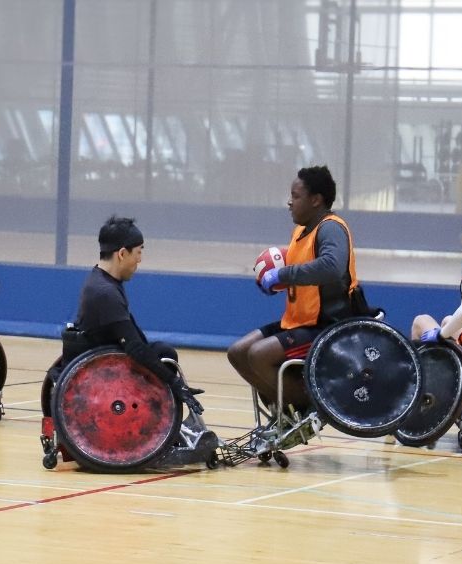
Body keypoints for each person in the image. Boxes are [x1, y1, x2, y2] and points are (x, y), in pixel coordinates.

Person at [227, 165, 358, 414]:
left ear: (316, 200)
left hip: (326, 326)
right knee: (238, 352)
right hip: (297, 322)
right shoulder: (300, 230)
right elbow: (304, 271)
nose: (290, 202)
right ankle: (282, 407)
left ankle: (308, 407)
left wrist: (284, 274)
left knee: (258, 355)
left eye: (296, 196)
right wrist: (278, 280)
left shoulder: (331, 227)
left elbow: (331, 267)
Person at [62, 215, 204, 415]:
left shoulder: (102, 281)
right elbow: (135, 347)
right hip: (105, 374)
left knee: (163, 351)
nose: (140, 259)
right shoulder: (105, 292)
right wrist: (175, 384)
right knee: (164, 356)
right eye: (138, 252)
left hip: (106, 359)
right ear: (122, 253)